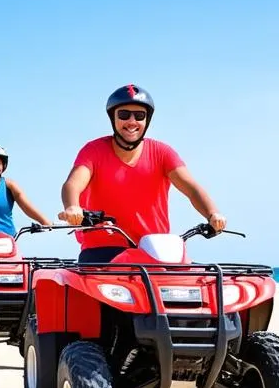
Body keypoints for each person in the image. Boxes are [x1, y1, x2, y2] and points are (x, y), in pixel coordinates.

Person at [59, 84, 227, 263]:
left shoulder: (162, 152)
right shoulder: (94, 151)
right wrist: (73, 208)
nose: (132, 121)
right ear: (113, 118)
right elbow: (73, 184)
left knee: (197, 282)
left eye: (139, 116)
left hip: (156, 250)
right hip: (104, 250)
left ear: (147, 120)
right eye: (124, 114)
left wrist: (212, 214)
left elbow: (191, 188)